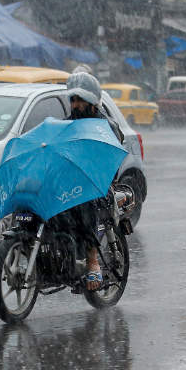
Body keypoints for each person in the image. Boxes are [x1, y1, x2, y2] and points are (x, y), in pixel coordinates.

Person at [58, 71, 123, 291]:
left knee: (84, 204)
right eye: (73, 100)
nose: (75, 105)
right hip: (71, 181)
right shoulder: (67, 124)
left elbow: (110, 159)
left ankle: (92, 260)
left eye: (80, 100)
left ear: (93, 102)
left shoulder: (106, 127)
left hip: (98, 184)